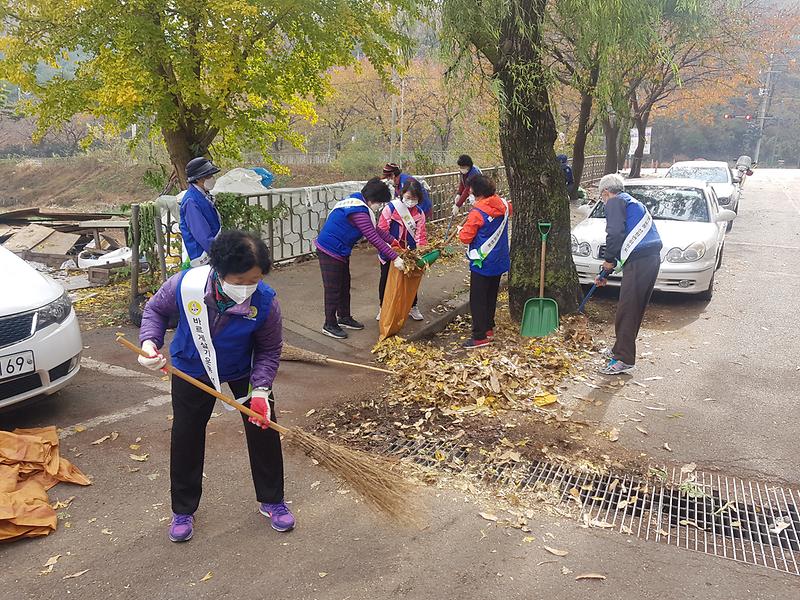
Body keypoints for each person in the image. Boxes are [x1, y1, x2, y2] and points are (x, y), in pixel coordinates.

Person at [137, 230, 293, 542]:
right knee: (187, 434)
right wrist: (150, 343)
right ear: (219, 274)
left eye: (256, 279)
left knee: (264, 427)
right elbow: (155, 310)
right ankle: (183, 509)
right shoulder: (186, 285)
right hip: (192, 365)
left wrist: (261, 390)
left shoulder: (265, 302)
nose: (248, 287)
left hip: (242, 368)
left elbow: (269, 349)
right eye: (241, 281)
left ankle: (272, 499)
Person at [315, 178, 405, 340]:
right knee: (333, 288)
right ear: (373, 199)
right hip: (329, 250)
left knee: (344, 285)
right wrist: (394, 257)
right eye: (380, 203)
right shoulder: (358, 210)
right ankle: (329, 324)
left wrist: (392, 240)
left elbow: (375, 229)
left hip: (340, 250)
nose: (380, 207)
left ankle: (344, 317)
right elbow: (372, 236)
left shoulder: (358, 200)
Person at [594, 174, 663, 375]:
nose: (603, 200)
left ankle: (624, 358)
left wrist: (607, 261)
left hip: (641, 261)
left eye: (602, 197)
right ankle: (619, 350)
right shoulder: (632, 202)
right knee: (633, 308)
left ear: (606, 193)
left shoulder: (615, 202)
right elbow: (624, 236)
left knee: (627, 309)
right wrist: (607, 271)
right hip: (649, 259)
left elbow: (614, 233)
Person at [458, 175, 511, 349]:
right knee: (491, 295)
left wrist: (461, 230)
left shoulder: (477, 213)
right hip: (499, 259)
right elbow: (510, 208)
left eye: (471, 190)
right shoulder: (503, 205)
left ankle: (479, 336)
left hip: (482, 261)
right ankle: (488, 327)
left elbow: (465, 238)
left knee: (478, 299)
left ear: (477, 192)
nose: (470, 193)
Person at [377, 179, 428, 322]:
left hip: (410, 252)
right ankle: (383, 307)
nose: (411, 201)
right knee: (386, 278)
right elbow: (382, 230)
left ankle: (413, 306)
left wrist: (421, 252)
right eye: (408, 198)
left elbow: (420, 235)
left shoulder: (419, 213)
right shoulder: (391, 208)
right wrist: (391, 251)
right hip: (389, 250)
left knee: (411, 278)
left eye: (414, 198)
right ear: (402, 194)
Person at [180, 156, 223, 268]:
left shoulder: (202, 195)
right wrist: (220, 253)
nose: (212, 178)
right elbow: (202, 234)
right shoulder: (191, 201)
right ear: (199, 179)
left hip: (211, 253)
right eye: (209, 176)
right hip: (203, 257)